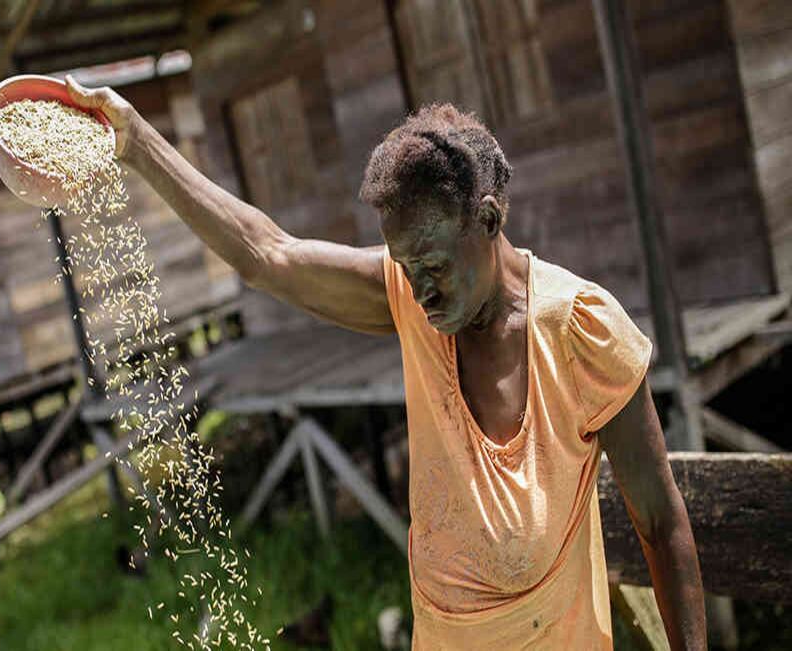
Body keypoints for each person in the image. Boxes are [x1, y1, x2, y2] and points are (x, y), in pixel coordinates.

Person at [65, 75, 706, 650]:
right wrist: (136, 141)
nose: (420, 290)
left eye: (432, 265)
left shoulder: (579, 332)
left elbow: (660, 520)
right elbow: (267, 254)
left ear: (486, 220)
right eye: (403, 266)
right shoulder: (408, 300)